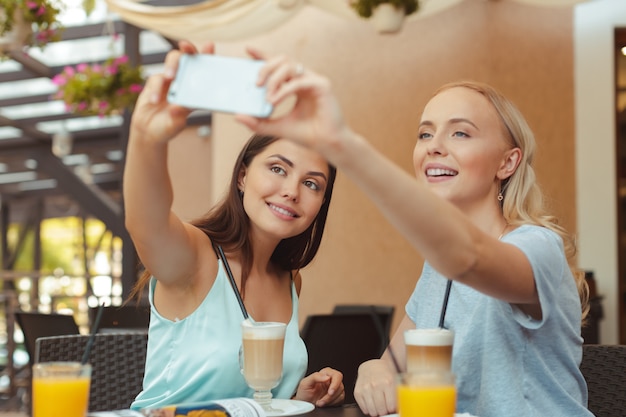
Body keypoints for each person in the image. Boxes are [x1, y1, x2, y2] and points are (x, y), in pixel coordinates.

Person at [234, 50, 593, 417]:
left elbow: (468, 258)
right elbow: (391, 362)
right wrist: (373, 370)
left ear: (508, 162)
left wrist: (342, 143)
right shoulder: (439, 268)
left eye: (460, 132)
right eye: (425, 133)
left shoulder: (536, 247)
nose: (434, 146)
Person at [123, 41, 344, 410]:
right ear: (242, 176)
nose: (291, 191)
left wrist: (292, 397)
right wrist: (148, 138)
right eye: (277, 168)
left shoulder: (289, 279)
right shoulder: (196, 256)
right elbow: (146, 220)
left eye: (311, 183)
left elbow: (242, 399)